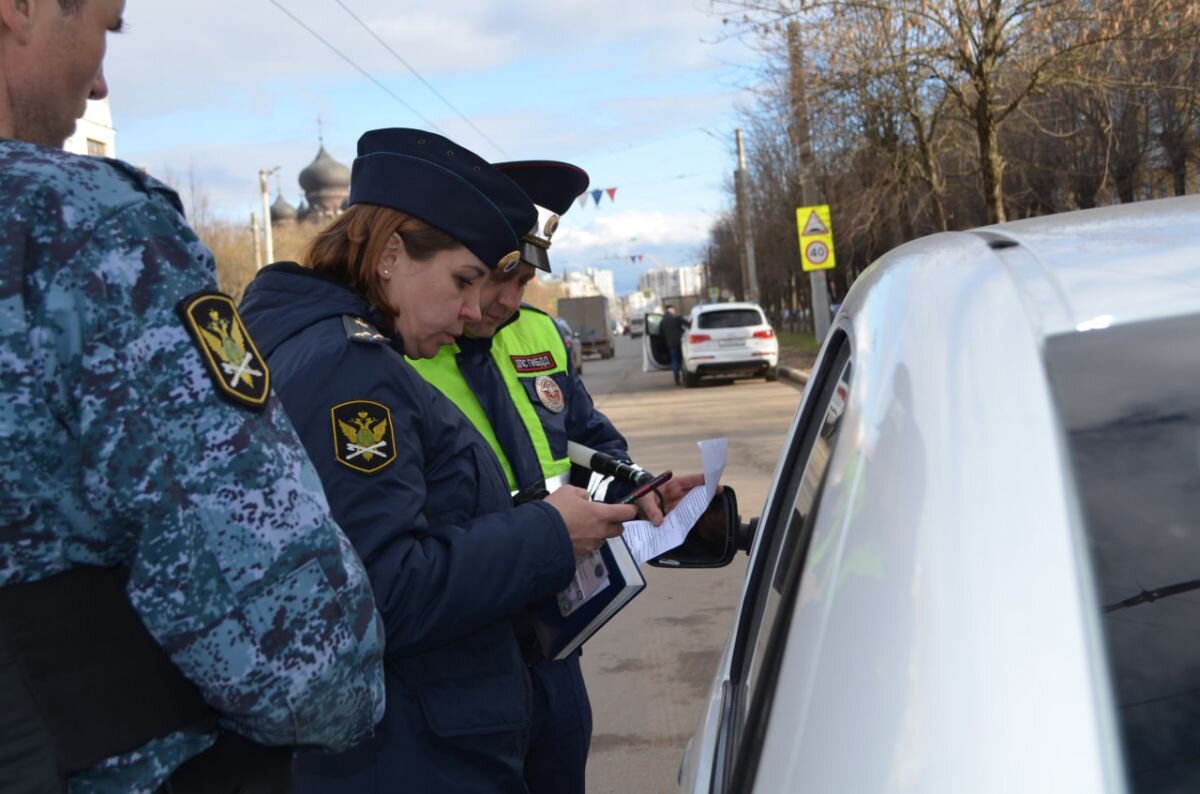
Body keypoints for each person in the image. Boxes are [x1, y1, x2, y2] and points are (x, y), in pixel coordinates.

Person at [0, 2, 385, 792]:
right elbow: (289, 641)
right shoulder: (80, 228)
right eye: (105, 28)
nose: (101, 77)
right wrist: (349, 697)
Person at [237, 128, 637, 794]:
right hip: (411, 751)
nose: (475, 309)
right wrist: (546, 532)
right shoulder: (353, 369)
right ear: (391, 254)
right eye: (463, 281)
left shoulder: (331, 347)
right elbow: (381, 590)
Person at [408, 160, 709, 794]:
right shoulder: (399, 349)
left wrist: (638, 493)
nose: (510, 301)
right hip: (457, 654)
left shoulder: (537, 331)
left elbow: (586, 446)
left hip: (555, 645)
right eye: (495, 277)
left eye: (524, 278)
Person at [659, 304, 687, 385]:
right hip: (681, 342)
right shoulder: (677, 318)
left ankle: (676, 379)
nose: (674, 311)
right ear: (670, 310)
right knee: (682, 360)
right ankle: (685, 376)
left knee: (674, 361)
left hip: (670, 344)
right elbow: (687, 326)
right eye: (674, 309)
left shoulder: (662, 321)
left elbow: (661, 334)